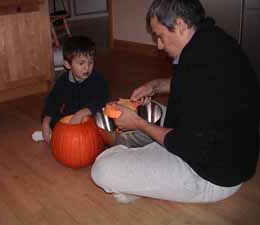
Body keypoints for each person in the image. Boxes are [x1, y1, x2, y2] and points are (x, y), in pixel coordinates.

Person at [91, 0, 260, 203]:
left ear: (180, 25)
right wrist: (155, 86)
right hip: (227, 151)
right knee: (155, 116)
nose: (159, 45)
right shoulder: (210, 40)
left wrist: (139, 124)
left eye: (160, 36)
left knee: (102, 168)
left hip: (212, 175)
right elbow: (191, 84)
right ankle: (142, 159)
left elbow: (188, 145)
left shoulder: (202, 66)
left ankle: (137, 164)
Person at [32, 35, 108, 143]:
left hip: (91, 116)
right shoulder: (63, 81)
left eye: (90, 62)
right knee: (55, 117)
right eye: (81, 63)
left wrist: (82, 113)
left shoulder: (98, 80)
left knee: (104, 120)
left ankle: (65, 136)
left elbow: (101, 100)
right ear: (67, 64)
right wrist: (46, 122)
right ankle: (51, 133)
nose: (87, 67)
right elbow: (53, 101)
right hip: (71, 116)